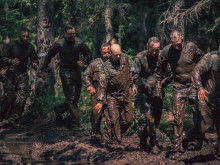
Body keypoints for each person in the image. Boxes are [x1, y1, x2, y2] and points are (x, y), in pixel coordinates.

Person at [155, 29, 204, 158]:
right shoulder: (167, 51)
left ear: (182, 39)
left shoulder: (191, 47)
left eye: (177, 44)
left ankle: (199, 138)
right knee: (177, 118)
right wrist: (159, 85)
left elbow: (203, 62)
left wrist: (202, 83)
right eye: (173, 44)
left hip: (193, 85)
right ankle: (177, 148)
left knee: (198, 115)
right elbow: (159, 70)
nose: (176, 47)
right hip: (178, 86)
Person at [40, 25, 92, 128]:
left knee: (75, 98)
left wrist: (84, 61)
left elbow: (89, 54)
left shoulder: (79, 42)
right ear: (65, 34)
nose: (71, 36)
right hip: (65, 71)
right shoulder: (59, 44)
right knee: (71, 98)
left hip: (76, 71)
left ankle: (59, 109)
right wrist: (44, 70)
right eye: (69, 34)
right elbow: (48, 56)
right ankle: (75, 124)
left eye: (73, 34)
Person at [132, 37, 173, 153]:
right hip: (144, 92)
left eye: (157, 50)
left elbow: (170, 74)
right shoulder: (140, 57)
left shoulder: (163, 57)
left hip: (158, 92)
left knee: (156, 120)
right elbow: (134, 74)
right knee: (150, 119)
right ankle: (154, 144)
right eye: (152, 49)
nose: (154, 52)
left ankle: (143, 136)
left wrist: (161, 85)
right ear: (147, 46)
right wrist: (140, 85)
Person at [181, 50, 220, 160]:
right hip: (205, 97)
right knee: (202, 127)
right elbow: (196, 71)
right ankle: (185, 137)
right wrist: (200, 87)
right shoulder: (211, 58)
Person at [96, 44, 137, 145]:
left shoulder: (125, 60)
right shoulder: (104, 67)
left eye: (119, 54)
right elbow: (102, 84)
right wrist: (100, 101)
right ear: (110, 54)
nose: (118, 57)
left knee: (129, 120)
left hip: (126, 95)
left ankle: (111, 135)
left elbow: (129, 73)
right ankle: (118, 142)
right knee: (114, 120)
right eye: (116, 55)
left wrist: (133, 85)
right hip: (112, 97)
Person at [0, 28, 38, 127]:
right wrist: (11, 61)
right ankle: (2, 117)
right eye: (23, 36)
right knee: (9, 96)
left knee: (21, 98)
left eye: (27, 36)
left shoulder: (30, 47)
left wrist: (35, 63)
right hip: (10, 74)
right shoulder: (11, 45)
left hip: (23, 75)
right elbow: (2, 58)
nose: (25, 38)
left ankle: (13, 121)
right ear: (19, 35)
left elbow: (34, 57)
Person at [82, 42, 111, 137]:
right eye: (104, 52)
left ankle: (108, 136)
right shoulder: (95, 63)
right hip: (96, 92)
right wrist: (89, 85)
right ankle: (96, 134)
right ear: (101, 52)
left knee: (110, 116)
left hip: (110, 93)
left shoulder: (114, 62)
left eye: (108, 52)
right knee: (96, 116)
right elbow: (85, 75)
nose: (106, 54)